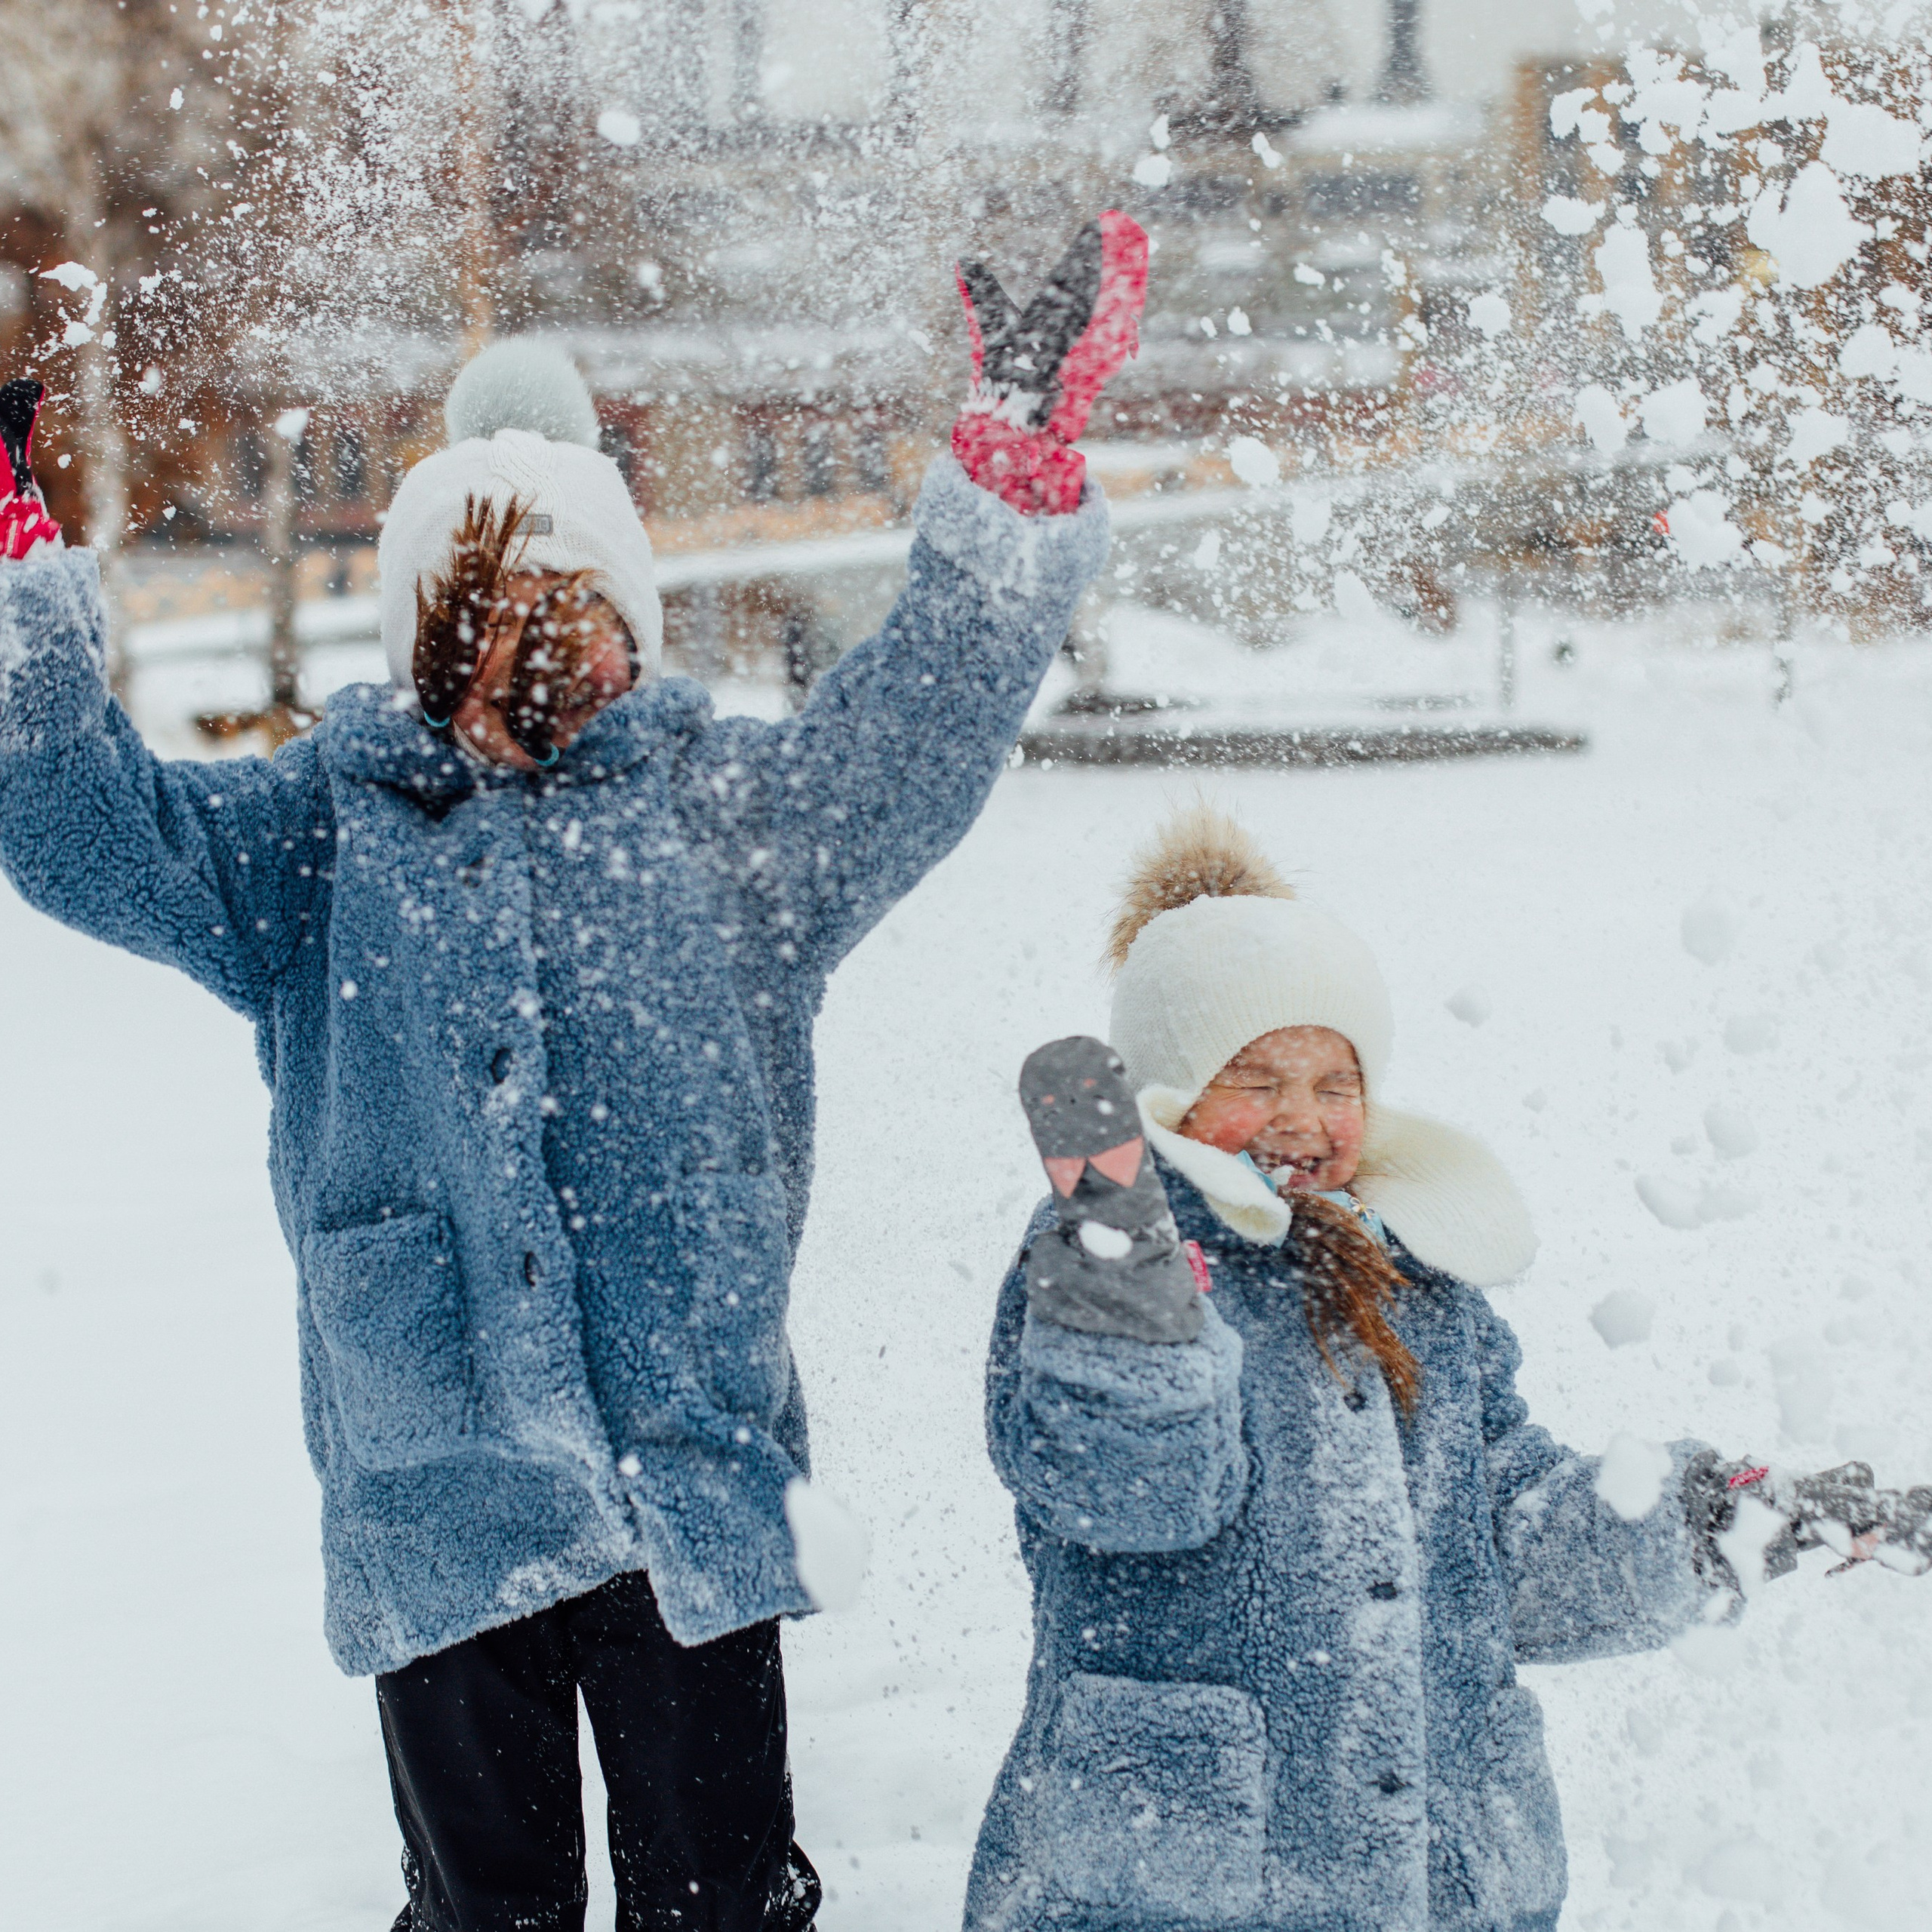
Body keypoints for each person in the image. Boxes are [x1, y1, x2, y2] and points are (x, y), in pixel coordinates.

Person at [0, 214, 1147, 1932]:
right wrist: (17, 593)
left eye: (577, 609)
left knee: (720, 1897)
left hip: (689, 1474)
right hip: (440, 1491)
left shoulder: (732, 821)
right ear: (420, 633)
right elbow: (85, 830)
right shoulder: (319, 837)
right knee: (490, 1908)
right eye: (486, 611)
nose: (536, 646)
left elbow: (917, 725)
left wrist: (1010, 478)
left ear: (633, 624)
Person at [968, 804, 1930, 1932]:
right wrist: (1132, 1304)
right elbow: (1131, 1494)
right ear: (1174, 1091)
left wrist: (1724, 1519)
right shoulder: (1098, 1259)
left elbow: (1503, 1533)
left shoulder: (1412, 1278)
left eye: (1338, 1084)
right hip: (1197, 1871)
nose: (1303, 1117)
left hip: (1438, 1878)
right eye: (1258, 1079)